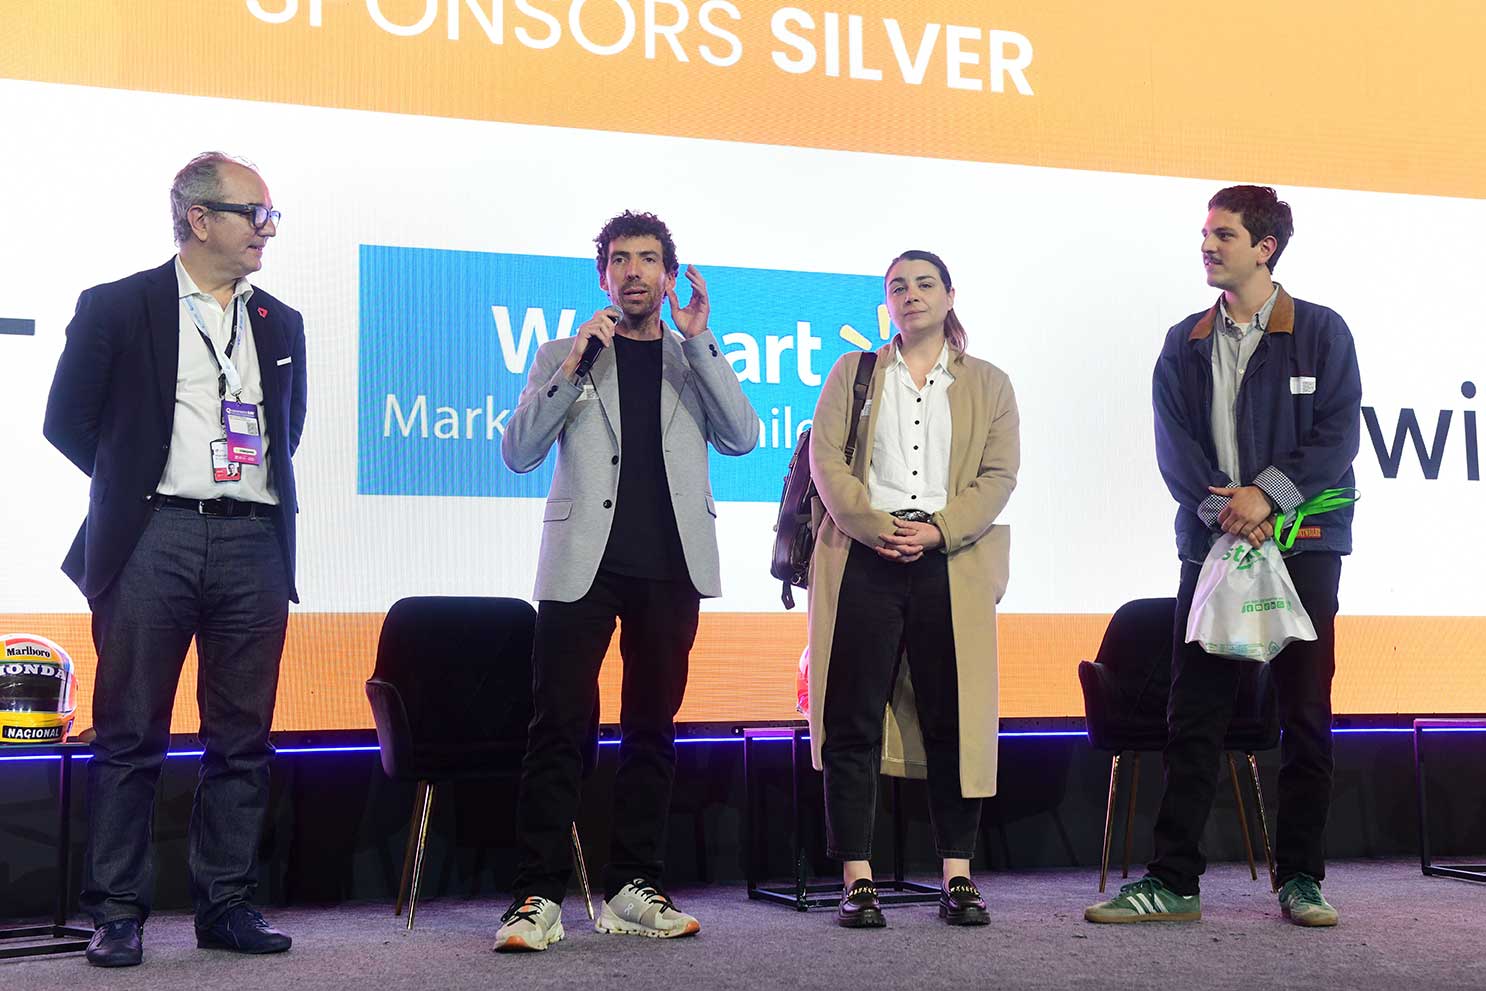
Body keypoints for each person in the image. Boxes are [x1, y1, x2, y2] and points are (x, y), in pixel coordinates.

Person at [43, 152, 306, 966]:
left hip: (254, 540)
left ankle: (226, 903)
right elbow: (67, 421)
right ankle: (117, 910)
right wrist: (137, 488)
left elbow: (286, 432)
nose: (267, 230)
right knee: (130, 734)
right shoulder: (119, 306)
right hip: (151, 537)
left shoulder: (281, 321)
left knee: (243, 738)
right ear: (199, 219)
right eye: (254, 213)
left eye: (270, 215)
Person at [1085, 185, 1361, 927]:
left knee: (1305, 712)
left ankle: (1301, 878)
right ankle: (1173, 881)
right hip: (1213, 544)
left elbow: (1337, 437)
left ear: (1265, 248)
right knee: (1195, 712)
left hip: (1304, 543)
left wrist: (1267, 497)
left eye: (1224, 234)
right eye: (1205, 233)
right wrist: (1227, 512)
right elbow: (1174, 446)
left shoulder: (1322, 331)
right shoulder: (1185, 340)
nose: (1207, 245)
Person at [495, 210, 757, 951]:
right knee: (557, 728)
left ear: (669, 277)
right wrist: (576, 365)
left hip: (670, 565)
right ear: (602, 274)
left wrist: (701, 340)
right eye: (619, 259)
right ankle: (536, 897)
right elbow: (518, 451)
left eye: (647, 258)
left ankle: (633, 886)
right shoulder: (565, 353)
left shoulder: (691, 357)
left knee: (651, 729)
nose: (633, 270)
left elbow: (742, 436)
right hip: (581, 564)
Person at [806, 250, 1019, 928]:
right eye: (898, 286)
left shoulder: (989, 382)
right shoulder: (854, 372)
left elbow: (998, 475)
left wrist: (939, 530)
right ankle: (857, 877)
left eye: (925, 284)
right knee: (852, 718)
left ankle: (957, 875)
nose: (911, 295)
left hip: (949, 559)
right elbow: (825, 459)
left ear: (950, 296)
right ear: (887, 303)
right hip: (864, 556)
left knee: (954, 718)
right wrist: (875, 526)